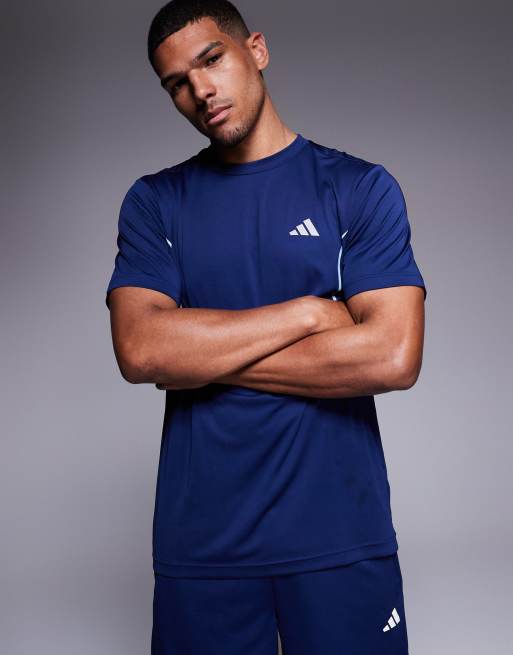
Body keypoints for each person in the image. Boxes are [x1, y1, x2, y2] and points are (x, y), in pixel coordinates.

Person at [105, 1, 427, 652]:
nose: (200, 90)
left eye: (211, 60)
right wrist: (308, 312)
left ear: (256, 50)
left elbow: (392, 355)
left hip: (339, 533)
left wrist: (198, 357)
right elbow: (140, 348)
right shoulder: (156, 202)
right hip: (205, 545)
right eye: (177, 83)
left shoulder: (358, 188)